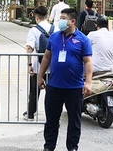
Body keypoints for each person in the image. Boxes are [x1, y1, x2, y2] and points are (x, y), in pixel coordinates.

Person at [38, 8, 93, 151]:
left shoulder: (83, 39)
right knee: (51, 120)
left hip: (74, 88)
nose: (60, 21)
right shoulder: (54, 37)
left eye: (63, 18)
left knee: (74, 121)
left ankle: (72, 147)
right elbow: (47, 57)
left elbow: (87, 61)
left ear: (72, 21)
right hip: (54, 86)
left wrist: (88, 82)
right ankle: (49, 146)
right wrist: (40, 76)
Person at [23, 5, 55, 120]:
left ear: (36, 18)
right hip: (53, 67)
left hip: (38, 67)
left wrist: (29, 65)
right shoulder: (55, 29)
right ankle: (52, 115)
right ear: (47, 16)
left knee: (34, 91)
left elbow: (29, 48)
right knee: (52, 92)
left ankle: (31, 114)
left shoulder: (34, 30)